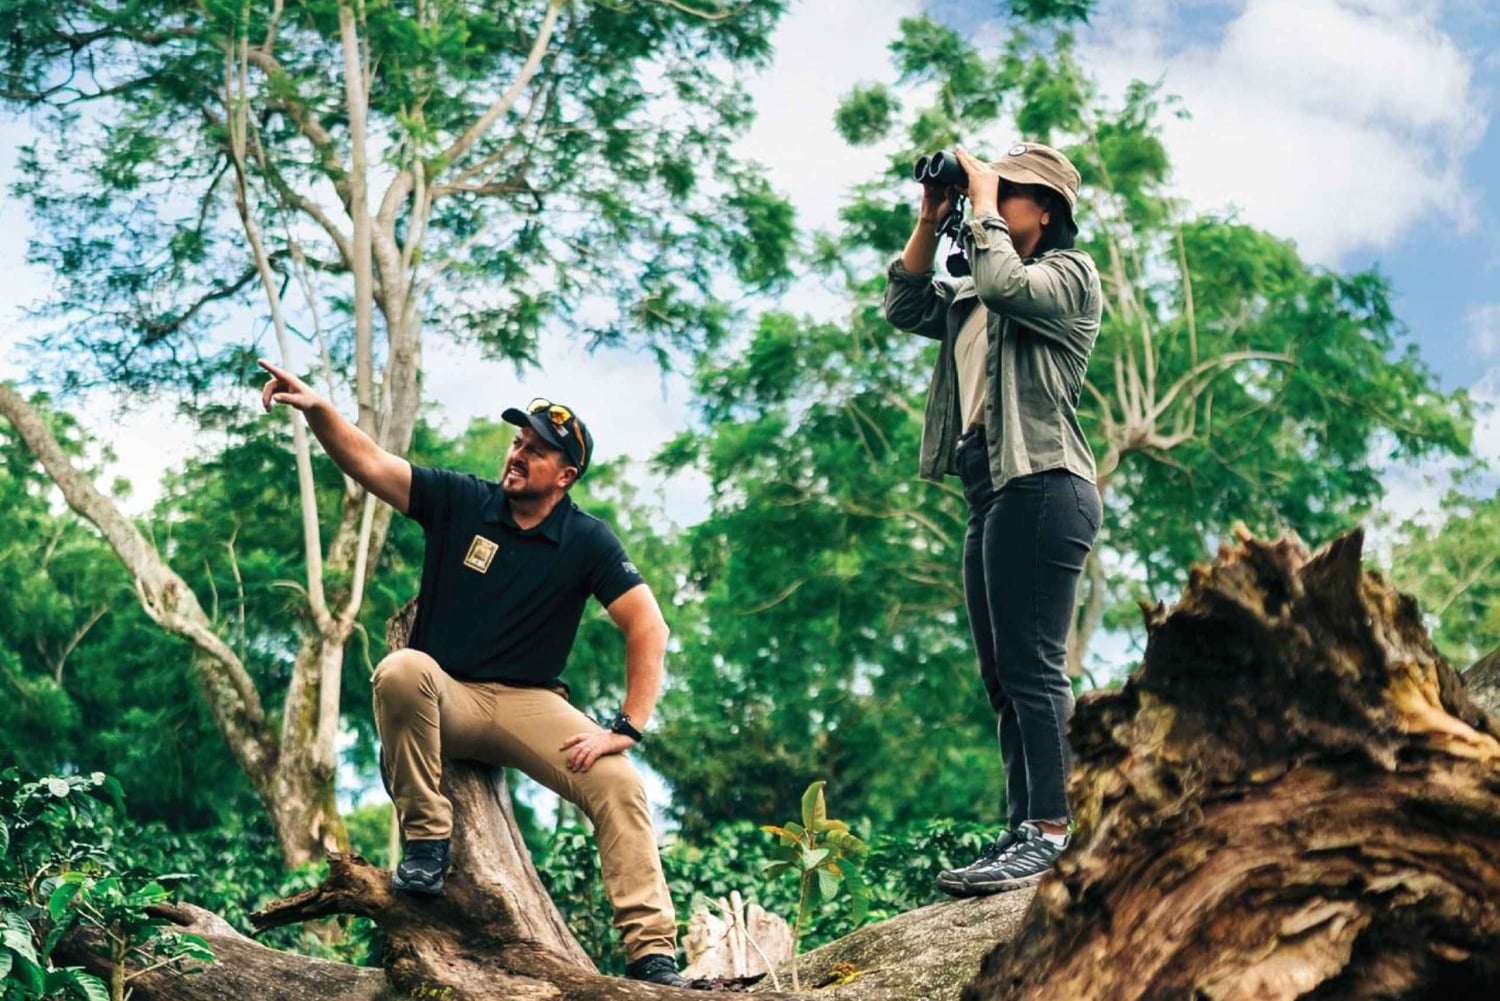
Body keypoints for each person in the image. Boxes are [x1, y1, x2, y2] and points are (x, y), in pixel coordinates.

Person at [257, 360, 691, 987]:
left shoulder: (588, 541)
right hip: (448, 696)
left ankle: (652, 956)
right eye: (518, 441)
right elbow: (371, 463)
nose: (518, 454)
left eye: (537, 451)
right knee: (401, 670)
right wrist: (319, 409)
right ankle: (427, 842)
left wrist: (627, 725)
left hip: (530, 705)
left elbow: (648, 627)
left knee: (620, 784)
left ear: (565, 476)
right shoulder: (463, 501)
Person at [883, 142, 1103, 895]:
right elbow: (904, 303)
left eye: (1011, 193)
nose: (995, 201)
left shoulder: (1067, 276)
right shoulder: (978, 287)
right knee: (1003, 677)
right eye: (992, 189)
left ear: (1045, 211)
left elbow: (1008, 279)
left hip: (1045, 483)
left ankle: (1052, 828)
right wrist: (931, 216)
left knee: (1035, 667)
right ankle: (1023, 824)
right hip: (992, 491)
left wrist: (979, 201)